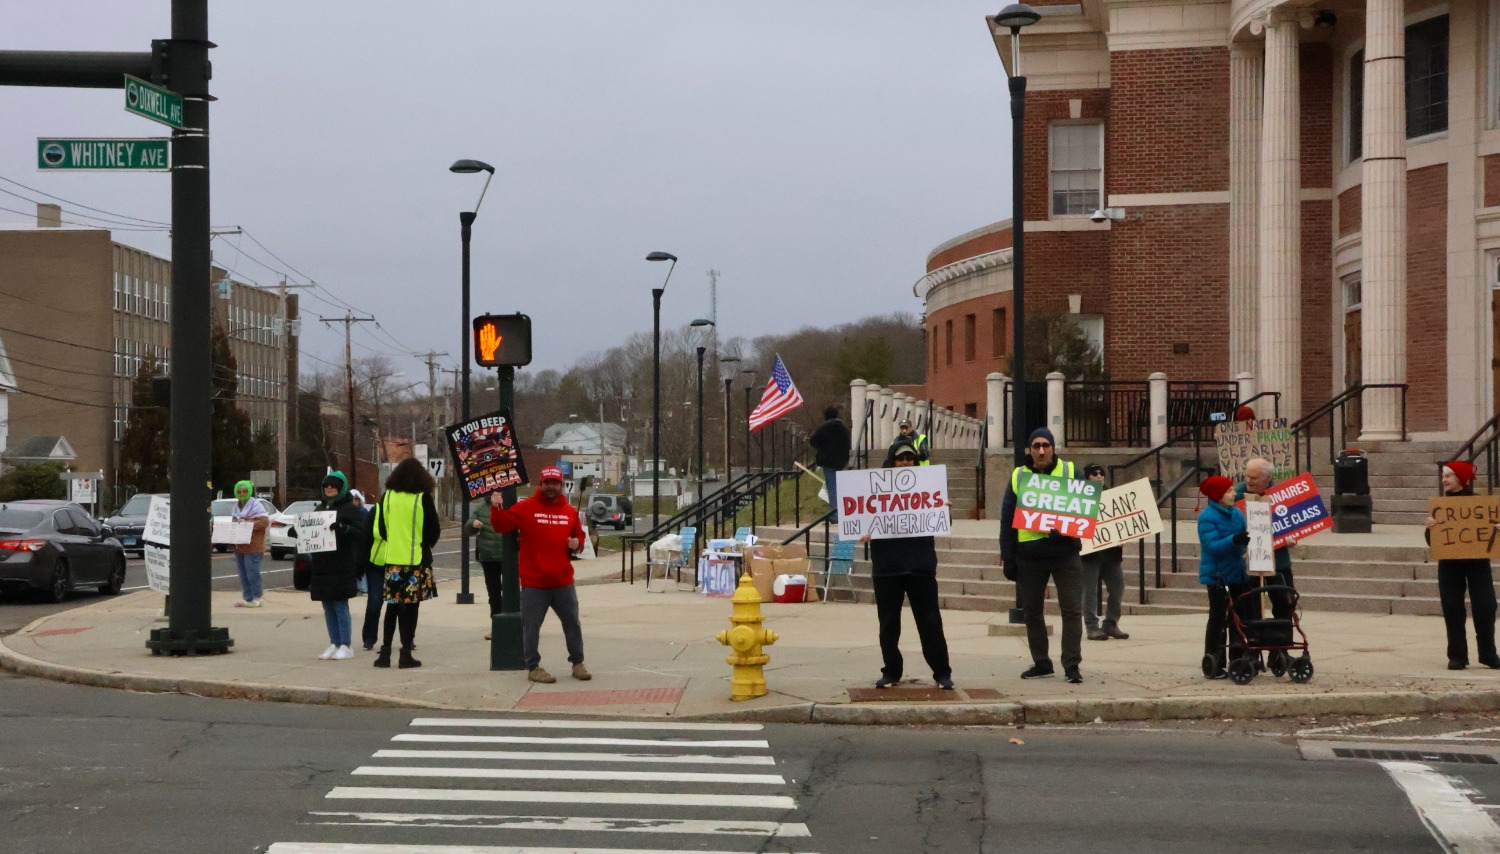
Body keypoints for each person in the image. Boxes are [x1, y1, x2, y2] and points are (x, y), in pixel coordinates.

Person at [861, 443, 953, 690]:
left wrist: (944, 511)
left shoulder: (927, 486)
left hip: (920, 565)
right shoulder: (875, 490)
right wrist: (862, 528)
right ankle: (891, 671)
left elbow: (939, 522)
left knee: (930, 621)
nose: (905, 463)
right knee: (888, 623)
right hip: (887, 567)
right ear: (891, 462)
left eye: (909, 459)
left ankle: (942, 672)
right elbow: (861, 517)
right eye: (900, 459)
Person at [489, 465, 590, 684]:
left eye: (555, 483)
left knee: (572, 623)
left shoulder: (570, 512)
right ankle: (533, 666)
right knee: (531, 626)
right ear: (540, 484)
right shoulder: (526, 508)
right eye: (547, 483)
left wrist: (577, 544)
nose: (551, 487)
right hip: (534, 582)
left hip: (563, 581)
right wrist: (495, 508)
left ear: (561, 486)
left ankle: (578, 663)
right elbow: (502, 525)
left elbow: (580, 540)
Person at [999, 427, 1085, 683]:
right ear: (1029, 449)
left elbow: (1085, 509)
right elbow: (1007, 519)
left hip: (1064, 553)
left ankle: (1071, 664)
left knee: (1072, 610)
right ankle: (1042, 663)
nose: (1041, 450)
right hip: (1029, 556)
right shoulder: (1018, 476)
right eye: (1036, 445)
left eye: (1045, 445)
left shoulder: (1071, 473)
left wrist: (1067, 531)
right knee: (1032, 612)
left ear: (1053, 448)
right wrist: (1008, 555)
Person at [1426, 461, 1499, 671]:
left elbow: (1490, 534)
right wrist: (1431, 529)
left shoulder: (1479, 504)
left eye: (1448, 476)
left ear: (1460, 479)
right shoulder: (1440, 507)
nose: (1444, 480)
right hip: (1450, 565)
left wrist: (1497, 529)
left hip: (1477, 563)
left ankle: (1488, 654)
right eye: (1443, 476)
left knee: (1486, 607)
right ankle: (1457, 656)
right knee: (1452, 608)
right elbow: (1433, 542)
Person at [370, 458, 441, 669]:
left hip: (392, 561)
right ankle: (406, 652)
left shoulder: (388, 498)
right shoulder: (422, 499)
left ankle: (384, 653)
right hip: (416, 562)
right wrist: (423, 545)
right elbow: (433, 531)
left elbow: (382, 530)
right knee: (411, 609)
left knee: (392, 607)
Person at [1197, 475, 1251, 680]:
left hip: (1237, 571)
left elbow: (1241, 539)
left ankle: (1237, 659)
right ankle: (1214, 660)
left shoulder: (1237, 513)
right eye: (1229, 491)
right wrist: (1234, 540)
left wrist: (1243, 542)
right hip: (1217, 575)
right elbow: (1211, 546)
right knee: (1218, 618)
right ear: (1218, 496)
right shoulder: (1207, 517)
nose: (1234, 493)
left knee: (1239, 618)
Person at [1234, 457, 1297, 620]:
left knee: (1285, 603)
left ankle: (1282, 639)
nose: (1249, 481)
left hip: (1278, 560)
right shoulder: (1236, 497)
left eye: (1254, 478)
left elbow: (1291, 523)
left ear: (1267, 479)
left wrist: (1291, 537)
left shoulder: (1281, 495)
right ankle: (1255, 639)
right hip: (1251, 560)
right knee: (1252, 606)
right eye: (1247, 476)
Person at [309, 472, 362, 661]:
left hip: (342, 563)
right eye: (326, 486)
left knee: (340, 604)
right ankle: (334, 641)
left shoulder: (350, 509)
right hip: (323, 564)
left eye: (333, 486)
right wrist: (298, 532)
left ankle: (345, 645)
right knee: (327, 604)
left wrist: (343, 528)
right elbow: (309, 531)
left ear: (341, 488)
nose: (329, 489)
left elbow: (360, 533)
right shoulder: (319, 508)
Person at [1080, 464, 1128, 642]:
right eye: (1095, 473)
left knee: (1118, 587)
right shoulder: (1080, 498)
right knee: (1089, 590)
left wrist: (1124, 535)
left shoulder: (1113, 496)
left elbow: (1122, 519)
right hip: (1090, 553)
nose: (1099, 476)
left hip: (1111, 552)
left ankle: (1111, 623)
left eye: (1102, 473)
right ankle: (1092, 626)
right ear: (1087, 477)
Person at [350, 489, 385, 652]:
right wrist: (361, 564)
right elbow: (365, 539)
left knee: (401, 604)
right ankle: (369, 638)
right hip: (376, 563)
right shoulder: (376, 512)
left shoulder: (405, 514)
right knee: (375, 601)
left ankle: (408, 637)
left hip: (400, 563)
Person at [231, 480, 270, 608]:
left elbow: (264, 523)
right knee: (243, 574)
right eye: (239, 491)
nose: (242, 493)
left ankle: (257, 597)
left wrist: (248, 523)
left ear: (249, 491)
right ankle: (247, 598)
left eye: (245, 491)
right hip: (240, 546)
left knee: (252, 573)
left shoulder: (256, 505)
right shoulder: (236, 507)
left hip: (254, 547)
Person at [470, 499, 506, 640]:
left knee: (511, 592)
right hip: (488, 556)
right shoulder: (481, 508)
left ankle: (517, 623)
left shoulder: (509, 504)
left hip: (507, 556)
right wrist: (473, 524)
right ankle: (496, 626)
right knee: (494, 592)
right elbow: (468, 527)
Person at [808, 405, 852, 515]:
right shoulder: (843, 428)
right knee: (837, 486)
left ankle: (834, 514)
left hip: (828, 461)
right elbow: (848, 443)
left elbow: (813, 441)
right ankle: (840, 511)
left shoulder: (823, 428)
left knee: (832, 487)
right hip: (841, 461)